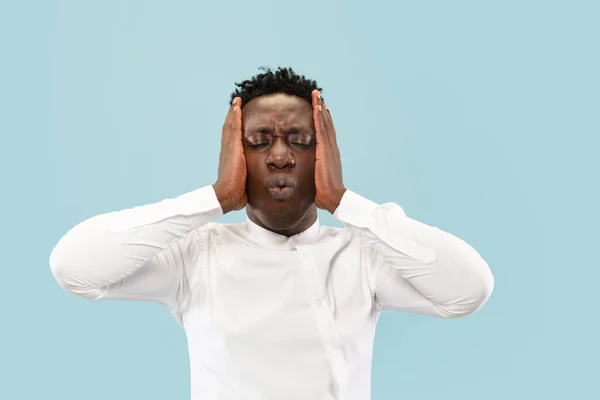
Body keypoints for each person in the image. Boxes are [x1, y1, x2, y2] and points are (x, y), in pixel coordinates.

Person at [49, 67, 494, 400]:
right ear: (234, 155)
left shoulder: (363, 253)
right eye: (259, 140)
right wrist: (215, 198)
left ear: (325, 154)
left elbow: (468, 290)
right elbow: (75, 267)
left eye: (299, 139)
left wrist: (344, 203)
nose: (280, 156)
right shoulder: (196, 255)